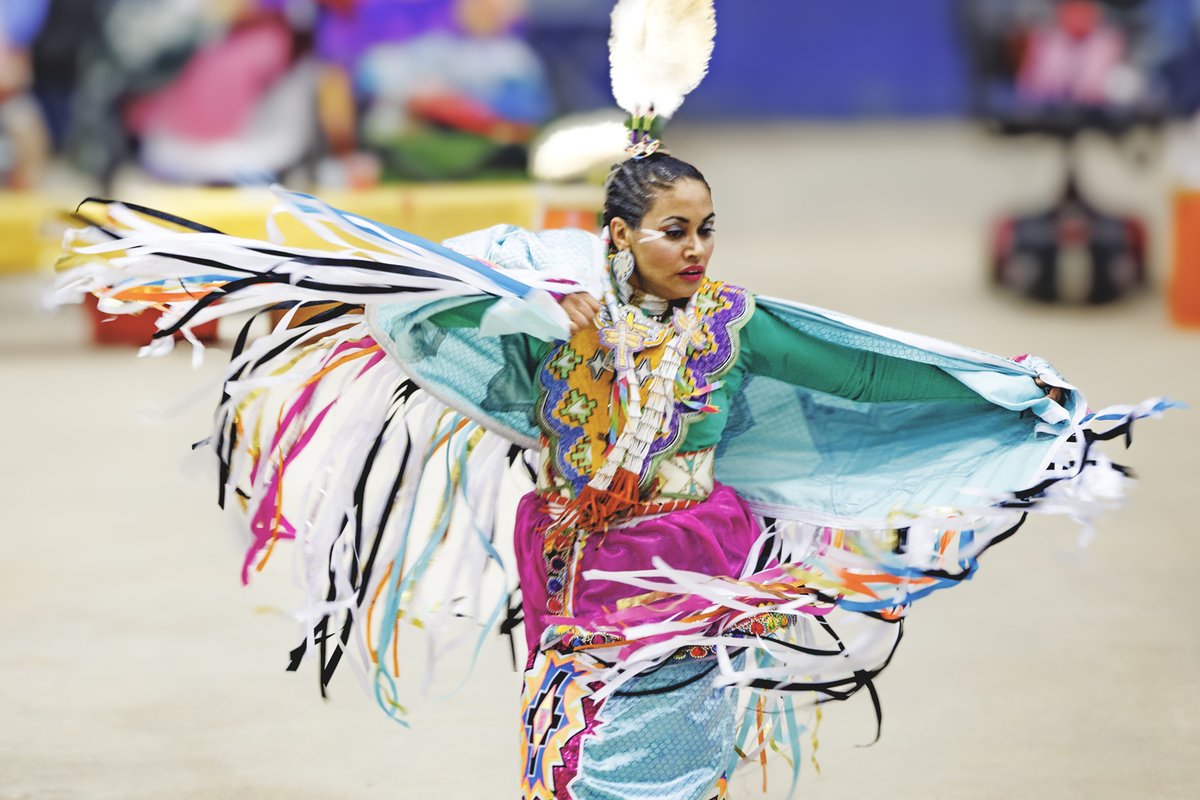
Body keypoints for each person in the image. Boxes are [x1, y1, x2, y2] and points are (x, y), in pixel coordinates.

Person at [53, 3, 1166, 797]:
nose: (695, 248)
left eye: (706, 228)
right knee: (573, 760)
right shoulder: (552, 320)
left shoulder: (735, 323)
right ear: (618, 236)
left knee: (668, 767)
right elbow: (424, 319)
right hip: (577, 573)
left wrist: (986, 383)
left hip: (688, 568)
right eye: (673, 230)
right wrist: (482, 291)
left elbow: (865, 371)